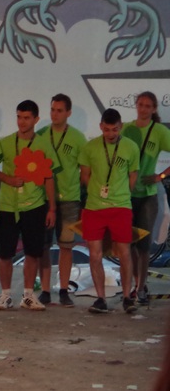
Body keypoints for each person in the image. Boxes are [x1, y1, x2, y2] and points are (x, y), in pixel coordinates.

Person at [0, 100, 58, 311]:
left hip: (34, 205)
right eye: (19, 117)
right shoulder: (5, 142)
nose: (22, 122)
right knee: (4, 254)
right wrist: (7, 179)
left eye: (27, 118)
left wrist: (52, 208)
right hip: (8, 205)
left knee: (33, 252)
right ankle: (5, 295)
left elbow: (49, 177)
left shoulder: (44, 144)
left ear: (36, 119)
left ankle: (28, 295)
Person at [79, 108, 140, 314]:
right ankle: (101, 299)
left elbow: (133, 176)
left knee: (125, 253)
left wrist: (121, 195)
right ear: (100, 127)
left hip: (121, 206)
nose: (111, 134)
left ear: (120, 126)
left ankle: (127, 297)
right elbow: (85, 176)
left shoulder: (131, 147)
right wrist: (97, 193)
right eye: (106, 130)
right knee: (95, 255)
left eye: (114, 129)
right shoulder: (90, 147)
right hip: (94, 208)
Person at [35, 94, 87, 307]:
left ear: (68, 113)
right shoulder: (41, 135)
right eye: (52, 110)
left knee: (66, 246)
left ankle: (64, 290)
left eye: (59, 111)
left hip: (69, 199)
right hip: (43, 198)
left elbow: (84, 170)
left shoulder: (78, 138)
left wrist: (76, 189)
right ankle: (45, 290)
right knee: (43, 247)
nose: (54, 114)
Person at [122, 91, 170, 306]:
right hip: (125, 194)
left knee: (144, 245)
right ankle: (136, 283)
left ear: (154, 109)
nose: (143, 109)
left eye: (147, 106)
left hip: (148, 195)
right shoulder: (126, 129)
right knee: (129, 242)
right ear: (136, 106)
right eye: (140, 104)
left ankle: (141, 288)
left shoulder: (159, 131)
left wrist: (161, 176)